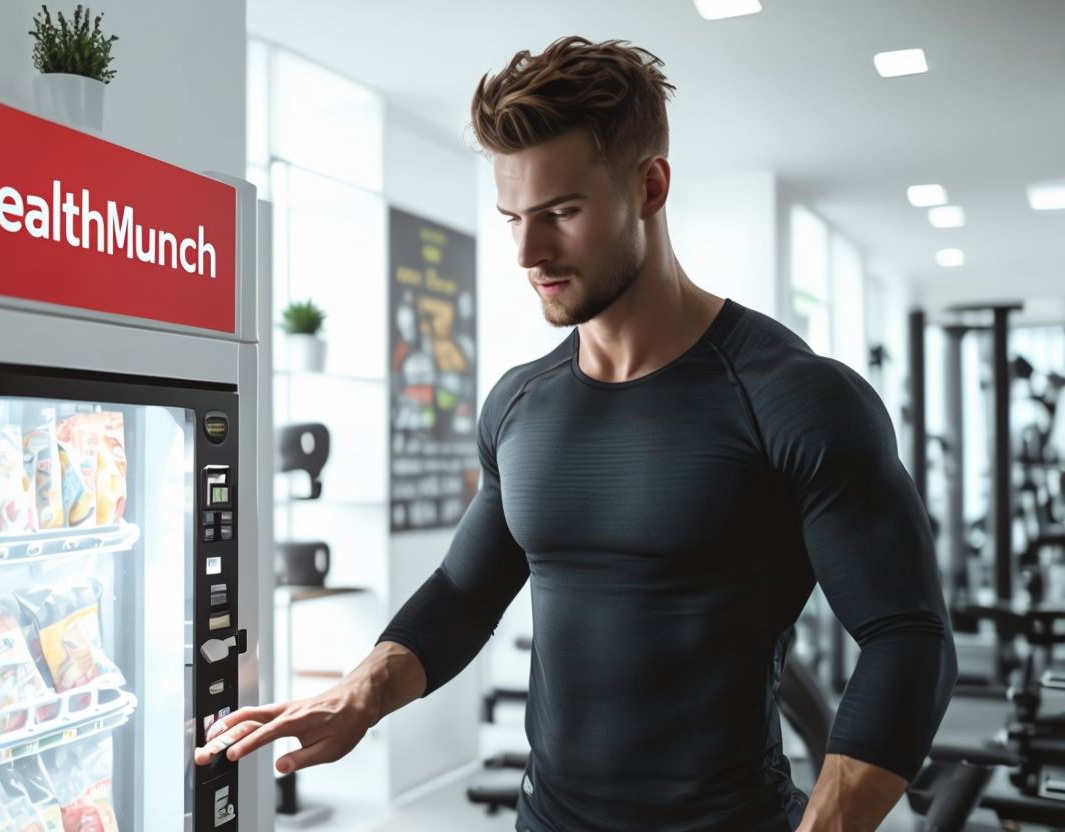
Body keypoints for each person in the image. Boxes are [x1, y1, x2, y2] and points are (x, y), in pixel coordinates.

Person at [196, 36, 957, 832]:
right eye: (514, 218)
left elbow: (906, 637)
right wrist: (360, 695)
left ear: (650, 186)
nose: (529, 252)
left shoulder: (792, 397)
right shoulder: (522, 403)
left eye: (560, 213)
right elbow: (463, 593)